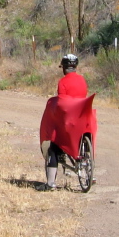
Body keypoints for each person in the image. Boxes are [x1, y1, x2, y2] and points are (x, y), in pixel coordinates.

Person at [42, 54, 86, 190]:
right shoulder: (82, 80)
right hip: (82, 121)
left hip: (68, 123)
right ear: (76, 66)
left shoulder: (63, 82)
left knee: (53, 146)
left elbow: (62, 103)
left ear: (64, 67)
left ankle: (50, 183)